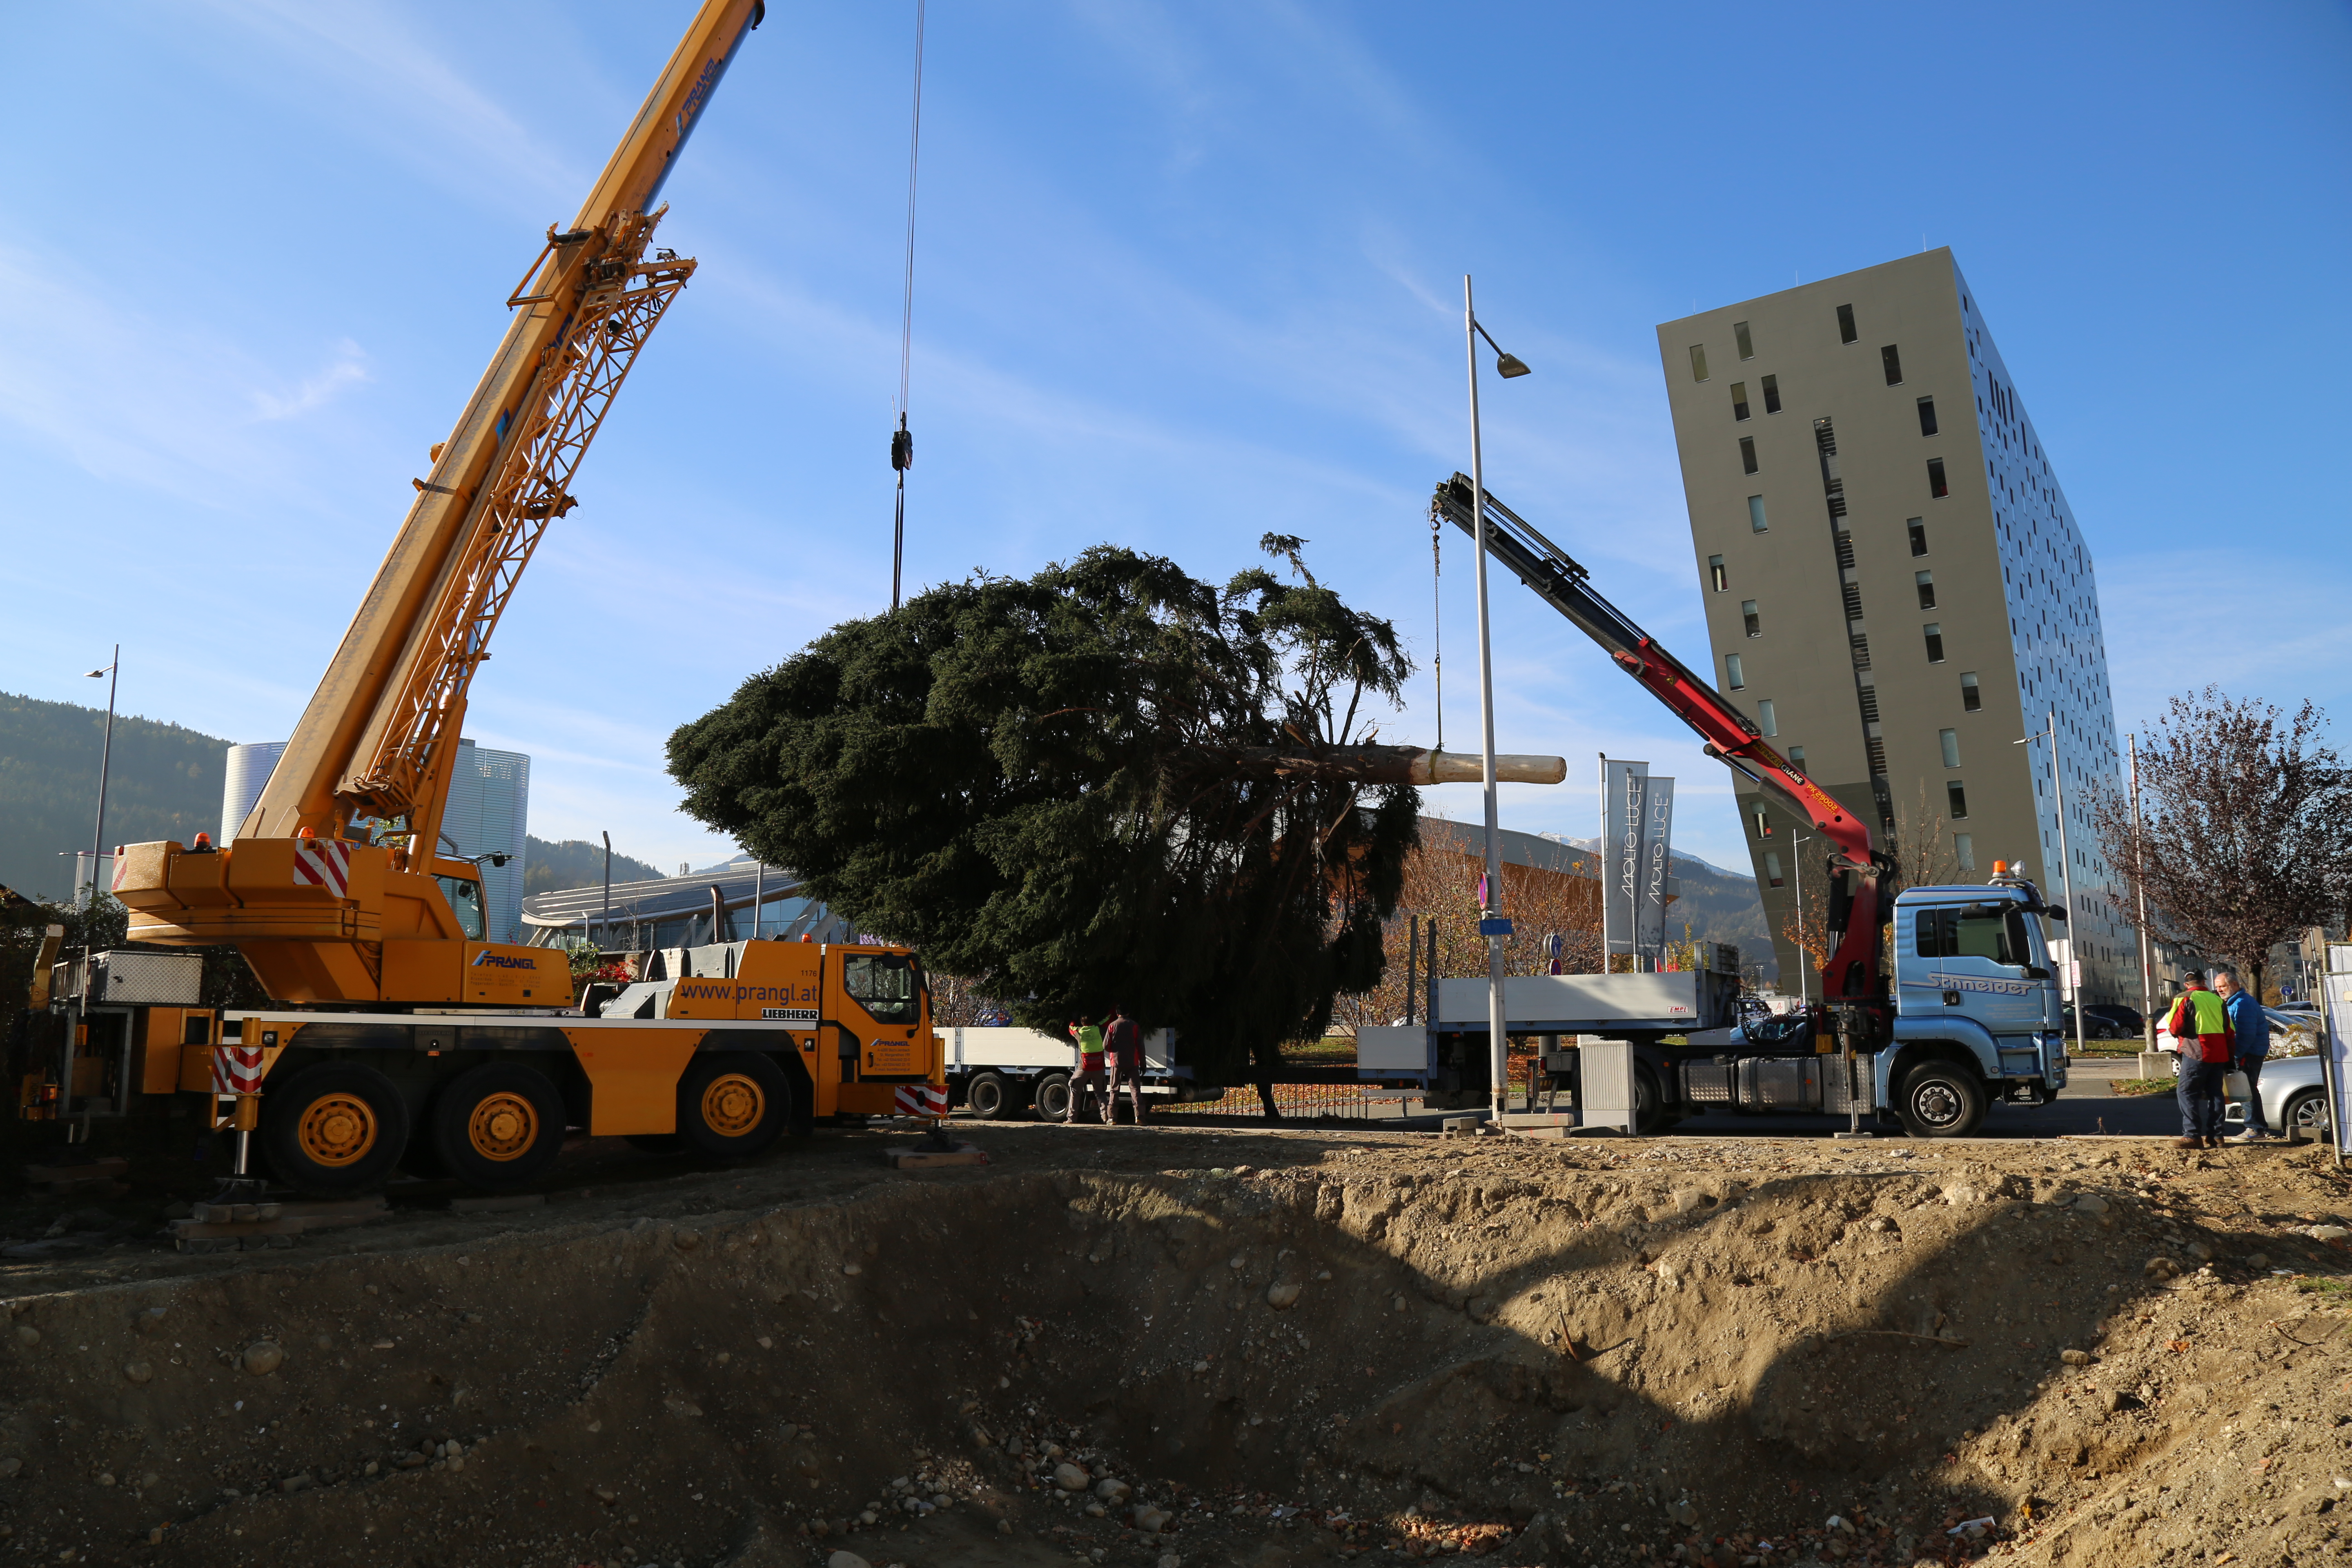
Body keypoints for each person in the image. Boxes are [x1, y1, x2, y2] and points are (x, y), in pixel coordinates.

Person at [2166, 972, 2233, 1150]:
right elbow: (2230, 1030)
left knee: (2186, 1092)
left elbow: (2174, 1027)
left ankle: (2192, 1136)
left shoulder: (2184, 998)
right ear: (2204, 982)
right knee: (2216, 1094)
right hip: (2219, 1053)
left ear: (2186, 984)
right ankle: (2216, 1136)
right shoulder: (2217, 999)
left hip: (2196, 1051)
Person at [2214, 965, 2274, 1140]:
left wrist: (2235, 1056)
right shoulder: (2236, 1002)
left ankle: (2255, 1129)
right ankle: (2258, 1128)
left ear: (2234, 985)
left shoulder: (2243, 1004)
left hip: (2249, 1053)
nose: (2219, 990)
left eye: (2222, 986)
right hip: (2250, 1052)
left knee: (2246, 1090)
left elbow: (2246, 1035)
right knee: (2248, 1089)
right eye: (2217, 987)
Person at [1102, 1006, 1146, 1126]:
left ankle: (1112, 1118)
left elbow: (1105, 1045)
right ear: (1129, 1013)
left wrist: (1114, 1050)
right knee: (1135, 1089)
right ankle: (1140, 1117)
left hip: (1116, 1062)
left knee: (1114, 1089)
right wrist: (1143, 1064)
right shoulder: (1135, 1026)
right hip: (1132, 1062)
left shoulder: (1112, 1025)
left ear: (1117, 1014)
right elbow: (1140, 1046)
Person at [1065, 1017, 1106, 1125]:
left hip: (1084, 1068)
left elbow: (1071, 1028)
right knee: (1101, 1093)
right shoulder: (1098, 1029)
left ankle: (1072, 1119)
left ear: (1082, 1023)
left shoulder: (1079, 1032)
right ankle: (1106, 1117)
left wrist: (1073, 1019)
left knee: (1075, 1090)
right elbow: (1106, 1020)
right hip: (1099, 1067)